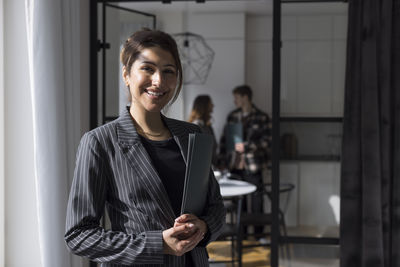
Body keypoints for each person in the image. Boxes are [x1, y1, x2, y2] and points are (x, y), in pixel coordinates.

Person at [65, 28, 226, 267]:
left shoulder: (192, 134)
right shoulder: (100, 142)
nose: (159, 80)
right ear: (126, 75)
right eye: (147, 68)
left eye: (168, 71)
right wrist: (158, 243)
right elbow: (79, 235)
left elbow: (216, 208)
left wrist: (202, 226)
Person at [218, 85, 271, 237]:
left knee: (256, 203)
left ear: (245, 97)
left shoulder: (262, 117)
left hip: (253, 167)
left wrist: (247, 146)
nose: (234, 101)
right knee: (240, 204)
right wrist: (222, 161)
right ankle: (242, 235)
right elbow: (224, 140)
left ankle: (258, 236)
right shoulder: (233, 116)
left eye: (237, 97)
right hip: (235, 167)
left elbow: (268, 142)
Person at [187, 95, 218, 166]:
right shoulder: (196, 126)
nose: (213, 105)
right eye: (210, 103)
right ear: (204, 106)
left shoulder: (207, 126)